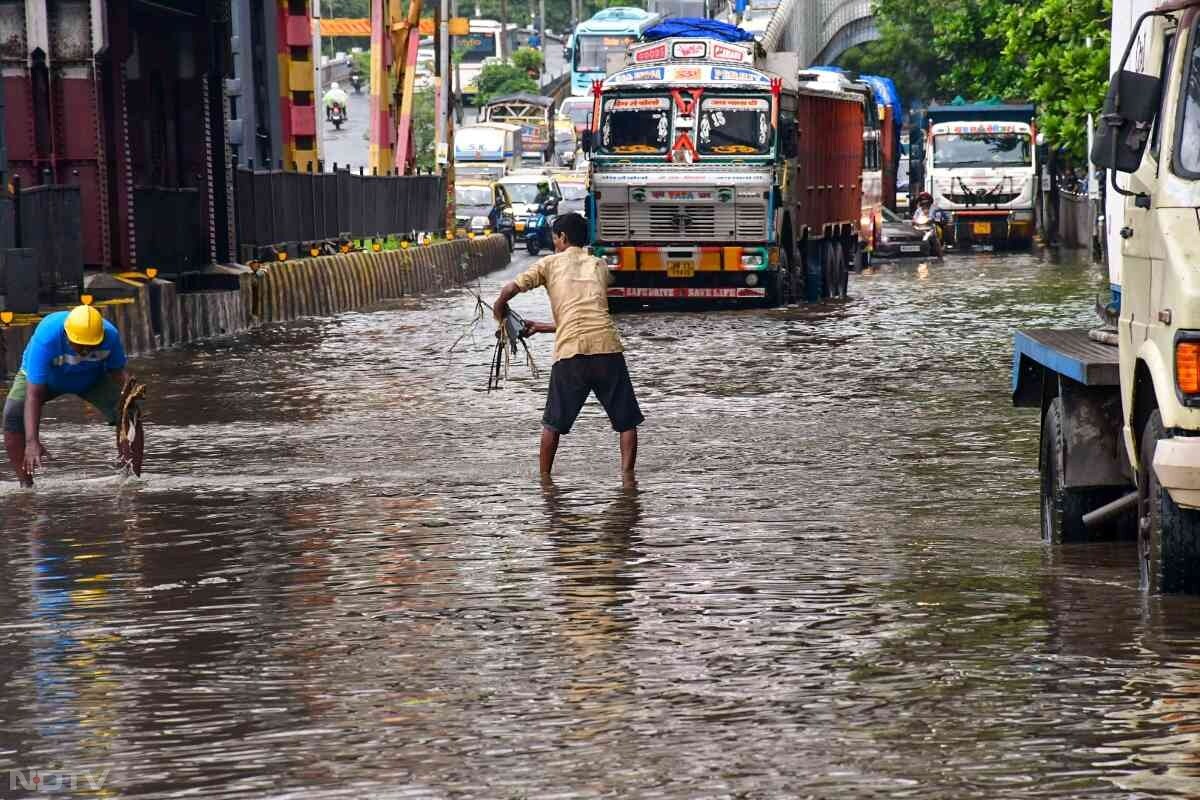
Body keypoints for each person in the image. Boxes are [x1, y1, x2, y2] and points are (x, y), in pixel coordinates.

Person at [493, 212, 644, 476]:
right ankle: (628, 482)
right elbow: (587, 314)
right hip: (607, 350)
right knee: (626, 423)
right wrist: (542, 327)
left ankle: (545, 483)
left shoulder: (549, 264)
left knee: (552, 425)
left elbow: (509, 290)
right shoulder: (599, 266)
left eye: (554, 239)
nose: (554, 244)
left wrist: (499, 311)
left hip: (570, 355)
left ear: (562, 238)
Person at [3, 306, 130, 487]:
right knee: (12, 415)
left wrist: (130, 390)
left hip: (91, 377)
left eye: (91, 345)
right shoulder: (48, 336)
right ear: (67, 335)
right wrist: (32, 441)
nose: (85, 350)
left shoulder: (110, 335)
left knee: (129, 413)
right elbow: (34, 394)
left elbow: (117, 372)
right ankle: (26, 486)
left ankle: (130, 476)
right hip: (46, 379)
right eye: (80, 345)